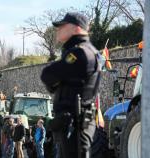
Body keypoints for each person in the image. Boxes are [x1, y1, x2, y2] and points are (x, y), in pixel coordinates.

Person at [40, 12, 100, 158]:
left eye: (63, 26)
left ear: (76, 29)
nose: (58, 29)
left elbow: (47, 74)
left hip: (75, 124)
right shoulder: (83, 51)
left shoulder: (81, 53)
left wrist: (58, 82)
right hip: (72, 123)